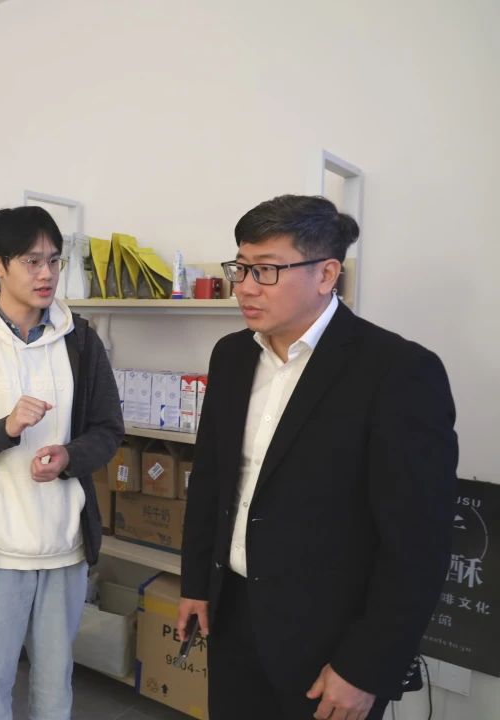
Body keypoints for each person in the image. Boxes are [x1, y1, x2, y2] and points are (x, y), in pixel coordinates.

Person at [178, 195, 458, 720]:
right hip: (233, 614)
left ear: (327, 274)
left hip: (329, 643)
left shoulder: (397, 372)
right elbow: (213, 480)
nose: (245, 287)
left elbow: (418, 544)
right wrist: (196, 583)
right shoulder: (233, 355)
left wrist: (367, 666)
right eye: (241, 267)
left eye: (266, 270)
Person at [0, 206, 123, 719]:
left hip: (64, 547)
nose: (46, 274)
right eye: (32, 261)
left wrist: (70, 457)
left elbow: (108, 429)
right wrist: (5, 429)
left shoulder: (81, 341)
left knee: (55, 690)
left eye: (54, 261)